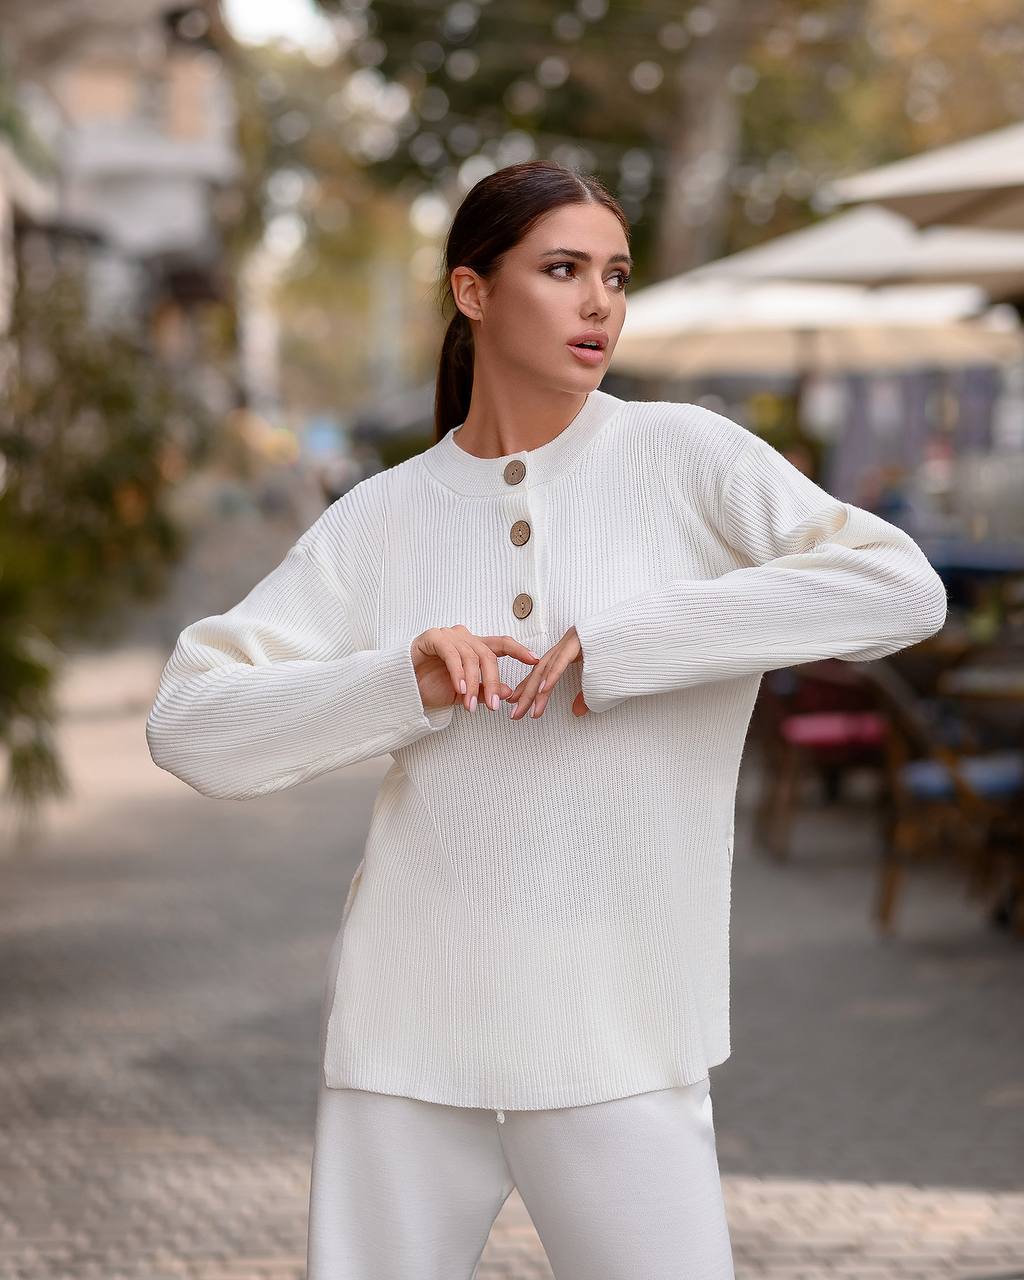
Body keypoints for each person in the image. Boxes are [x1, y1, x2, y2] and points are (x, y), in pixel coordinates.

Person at [145, 160, 950, 1280]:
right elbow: (191, 723)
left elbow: (899, 587)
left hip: (621, 1032)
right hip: (406, 1038)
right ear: (472, 292)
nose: (598, 304)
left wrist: (624, 643)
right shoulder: (379, 518)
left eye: (614, 276)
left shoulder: (685, 456)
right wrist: (402, 679)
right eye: (561, 270)